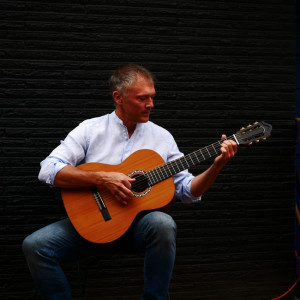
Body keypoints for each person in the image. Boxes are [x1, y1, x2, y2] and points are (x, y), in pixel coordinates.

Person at [22, 63, 237, 300]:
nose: (151, 105)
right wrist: (103, 178)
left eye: (152, 97)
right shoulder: (91, 129)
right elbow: (48, 170)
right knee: (35, 245)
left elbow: (186, 191)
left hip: (137, 230)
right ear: (119, 97)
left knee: (162, 223)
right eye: (143, 98)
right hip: (91, 224)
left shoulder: (162, 137)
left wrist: (216, 166)